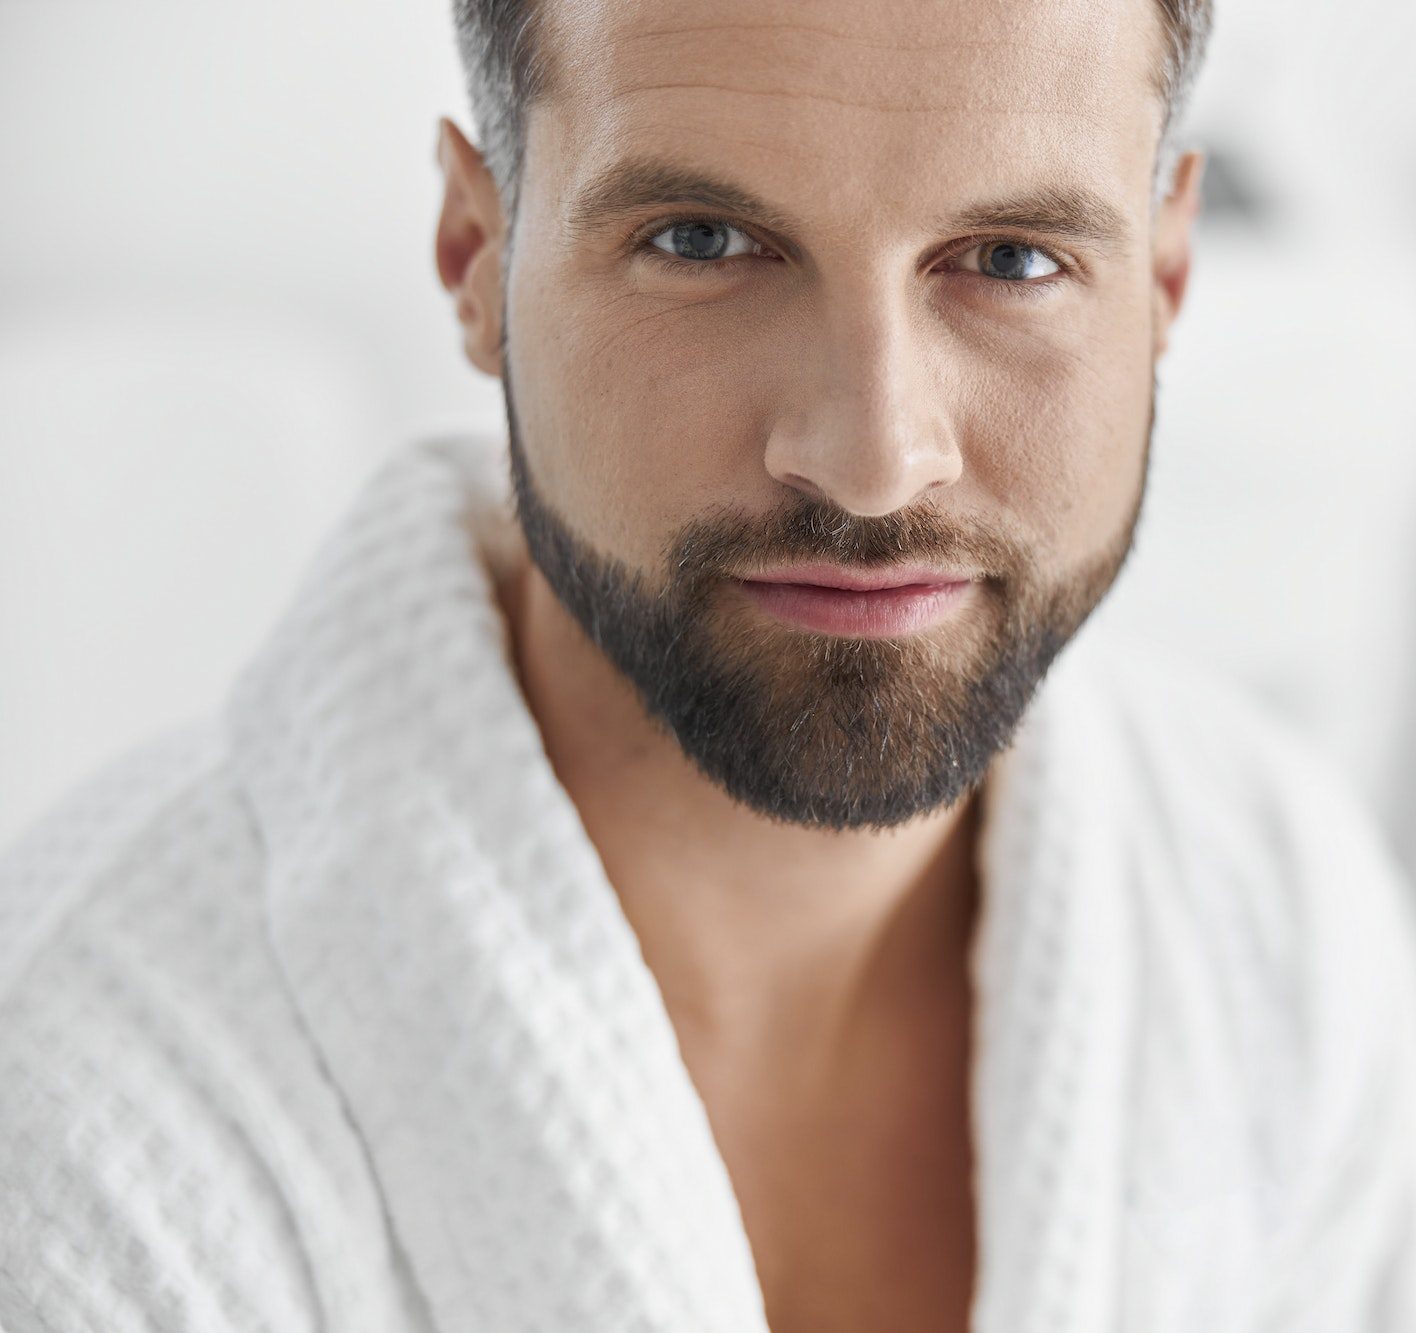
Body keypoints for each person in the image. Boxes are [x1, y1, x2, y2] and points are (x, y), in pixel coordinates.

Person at [3, 0, 1415, 1329]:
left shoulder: (1283, 925)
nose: (871, 460)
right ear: (475, 250)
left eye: (1011, 261)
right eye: (700, 241)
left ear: (1166, 278)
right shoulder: (80, 1137)